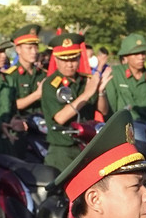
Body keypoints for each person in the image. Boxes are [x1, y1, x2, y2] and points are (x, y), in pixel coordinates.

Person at [39, 33, 106, 171]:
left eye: (74, 59)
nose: (69, 64)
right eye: (64, 60)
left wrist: (100, 91)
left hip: (87, 146)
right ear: (56, 59)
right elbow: (60, 117)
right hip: (62, 150)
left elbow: (103, 110)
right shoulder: (51, 84)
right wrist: (87, 93)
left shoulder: (86, 80)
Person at [101, 33, 146, 135]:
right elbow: (110, 109)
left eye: (143, 53)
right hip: (121, 131)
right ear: (126, 56)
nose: (141, 57)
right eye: (136, 54)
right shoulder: (115, 74)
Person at [8, 24, 47, 117]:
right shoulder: (11, 76)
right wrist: (37, 95)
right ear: (18, 49)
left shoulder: (42, 74)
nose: (34, 52)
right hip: (21, 121)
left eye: (36, 47)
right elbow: (11, 105)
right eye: (29, 48)